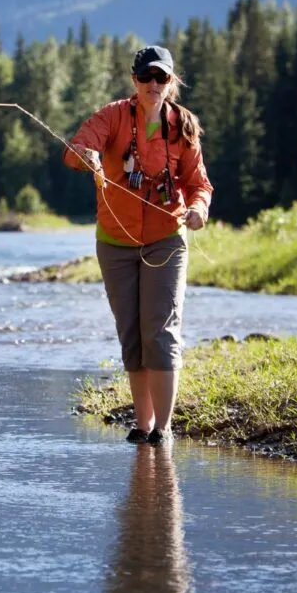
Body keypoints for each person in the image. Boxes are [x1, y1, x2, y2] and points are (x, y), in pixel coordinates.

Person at [63, 45, 213, 445]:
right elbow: (77, 149)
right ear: (134, 81)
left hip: (166, 238)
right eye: (145, 77)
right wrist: (88, 156)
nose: (153, 84)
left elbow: (199, 185)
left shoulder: (183, 127)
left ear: (172, 82)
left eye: (161, 77)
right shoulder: (111, 116)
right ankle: (142, 425)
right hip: (115, 241)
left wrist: (199, 209)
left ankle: (163, 430)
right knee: (132, 334)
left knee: (160, 332)